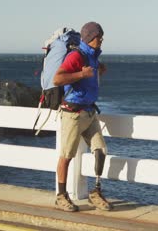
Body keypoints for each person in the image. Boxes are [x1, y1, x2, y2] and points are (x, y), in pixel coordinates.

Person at [53, 21, 112, 212]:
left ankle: (95, 192)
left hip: (89, 112)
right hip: (73, 114)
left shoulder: (93, 56)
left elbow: (91, 75)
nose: (101, 39)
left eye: (101, 36)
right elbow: (58, 78)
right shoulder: (76, 56)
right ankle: (61, 196)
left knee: (100, 150)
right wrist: (81, 73)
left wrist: (98, 71)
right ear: (89, 38)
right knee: (67, 155)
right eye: (98, 36)